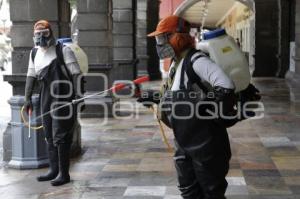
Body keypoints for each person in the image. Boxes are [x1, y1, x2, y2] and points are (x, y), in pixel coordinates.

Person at [138, 15, 235, 199]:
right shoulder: (177, 63)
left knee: (211, 191)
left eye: (162, 38)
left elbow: (226, 87)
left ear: (178, 36)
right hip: (184, 140)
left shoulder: (197, 60)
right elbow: (179, 95)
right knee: (188, 190)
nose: (159, 44)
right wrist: (152, 97)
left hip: (206, 143)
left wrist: (203, 108)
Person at [24, 20, 81, 186]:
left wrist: (78, 97)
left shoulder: (63, 50)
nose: (41, 37)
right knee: (48, 134)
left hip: (63, 96)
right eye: (38, 34)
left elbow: (77, 74)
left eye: (45, 33)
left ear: (51, 33)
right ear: (34, 35)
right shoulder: (34, 53)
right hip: (45, 97)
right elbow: (31, 75)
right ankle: (54, 170)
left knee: (61, 135)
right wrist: (27, 98)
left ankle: (64, 174)